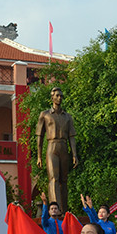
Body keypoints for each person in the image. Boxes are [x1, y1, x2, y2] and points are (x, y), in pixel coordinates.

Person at [36, 86, 78, 214]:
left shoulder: (68, 117)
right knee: (54, 178)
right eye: (57, 95)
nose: (60, 98)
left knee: (63, 180)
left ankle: (64, 209)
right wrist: (39, 156)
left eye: (61, 96)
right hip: (51, 146)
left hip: (64, 146)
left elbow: (72, 137)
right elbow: (39, 136)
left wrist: (74, 155)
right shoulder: (45, 114)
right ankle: (55, 209)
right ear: (52, 97)